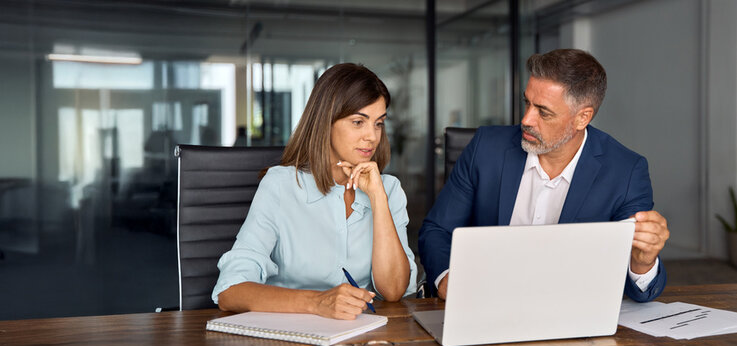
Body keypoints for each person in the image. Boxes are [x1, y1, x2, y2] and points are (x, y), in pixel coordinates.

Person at [419, 49, 669, 302]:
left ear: (582, 117)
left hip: (569, 307)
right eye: (527, 103)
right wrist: (447, 278)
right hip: (483, 298)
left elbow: (638, 289)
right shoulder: (485, 148)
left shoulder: (625, 172)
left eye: (544, 112)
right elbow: (437, 229)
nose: (526, 119)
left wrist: (642, 263)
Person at [212, 63, 417, 320]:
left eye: (379, 124)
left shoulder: (388, 189)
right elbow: (230, 291)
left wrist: (378, 198)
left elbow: (394, 290)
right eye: (358, 122)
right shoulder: (280, 185)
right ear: (326, 122)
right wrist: (317, 302)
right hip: (290, 333)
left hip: (360, 332)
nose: (372, 137)